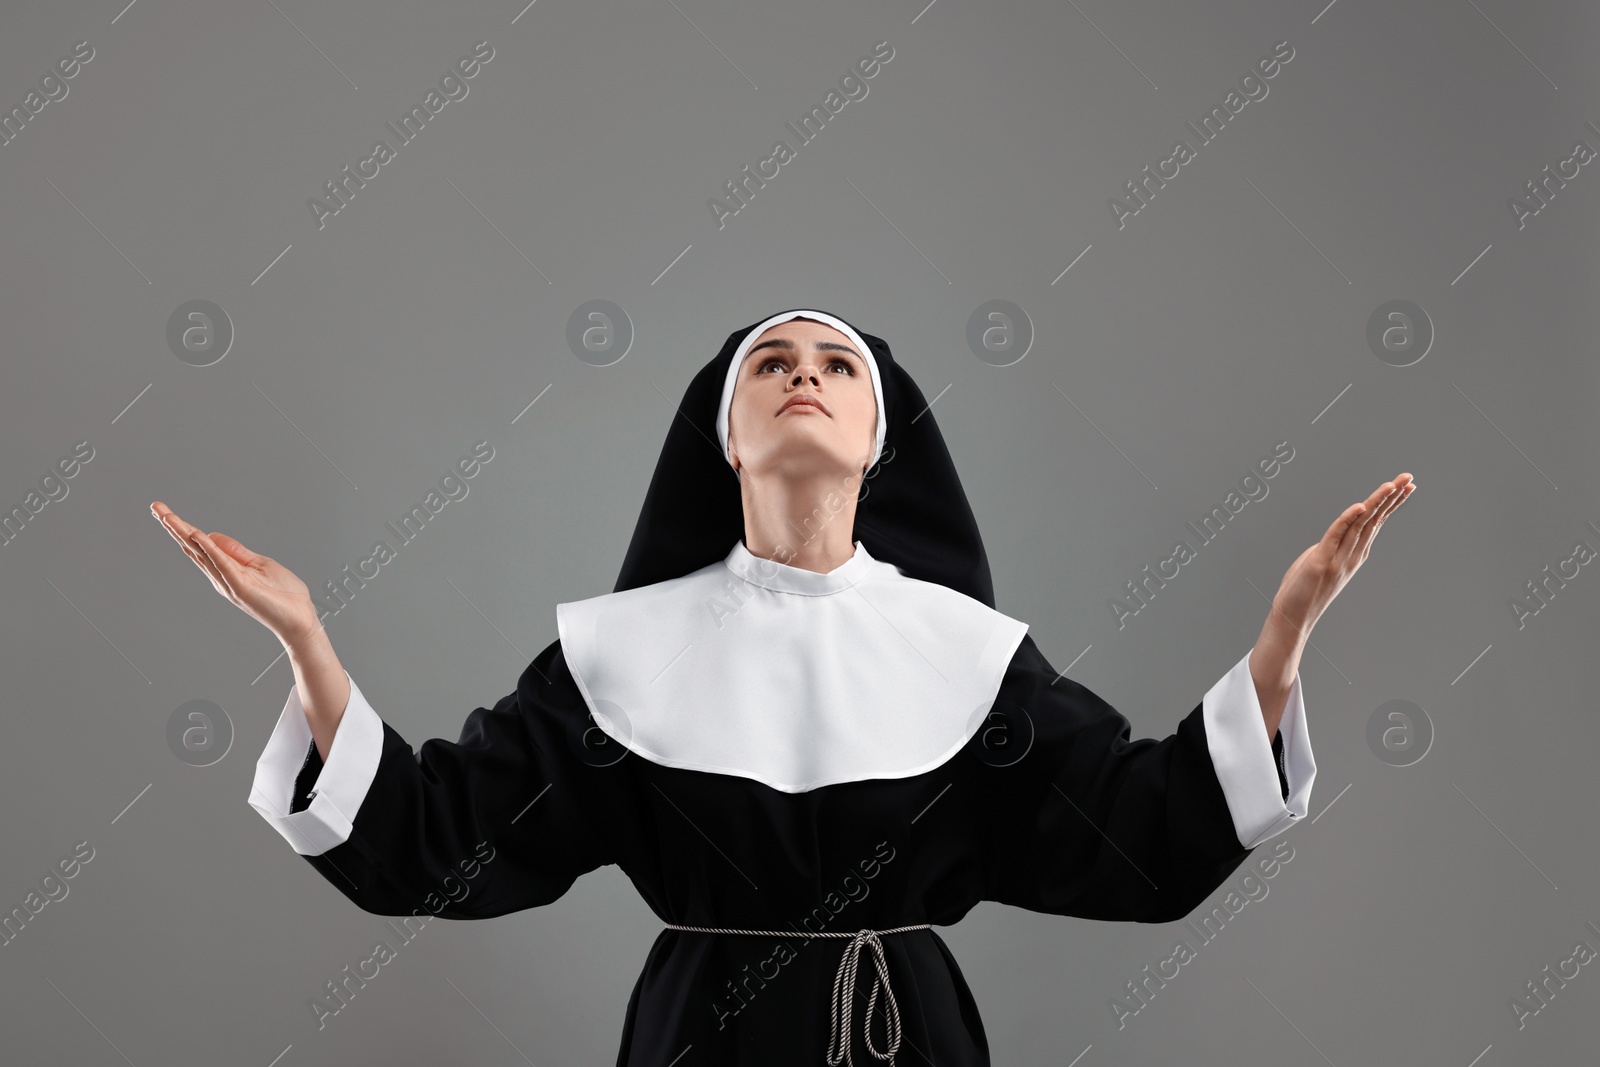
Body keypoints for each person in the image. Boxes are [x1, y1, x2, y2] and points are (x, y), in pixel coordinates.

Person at [150, 307, 1414, 1066]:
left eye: (836, 363)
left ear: (876, 432)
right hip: (700, 1034)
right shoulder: (621, 653)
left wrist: (1281, 638)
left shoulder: (962, 651)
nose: (804, 372)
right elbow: (438, 839)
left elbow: (1136, 836)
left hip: (907, 1034)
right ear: (724, 429)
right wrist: (309, 642)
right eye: (772, 364)